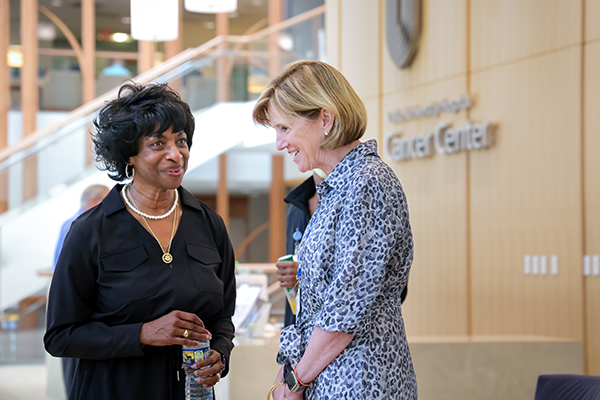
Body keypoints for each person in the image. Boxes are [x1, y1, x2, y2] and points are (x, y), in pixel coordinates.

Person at [44, 83, 236, 400]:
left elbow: (222, 317)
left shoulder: (209, 224)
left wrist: (220, 353)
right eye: (158, 144)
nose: (176, 154)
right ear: (129, 155)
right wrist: (142, 334)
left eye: (182, 141)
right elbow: (61, 337)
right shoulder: (90, 231)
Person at [253, 60, 417, 399]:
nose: (280, 143)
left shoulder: (366, 183)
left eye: (285, 128)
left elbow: (345, 311)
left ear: (325, 119)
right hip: (331, 379)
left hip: (360, 382)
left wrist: (296, 380)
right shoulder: (337, 190)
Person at [52, 184, 109, 398]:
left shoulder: (70, 224)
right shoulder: (83, 225)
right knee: (77, 365)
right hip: (80, 302)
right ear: (95, 201)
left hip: (74, 300)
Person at [276, 171, 324, 328]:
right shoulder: (297, 208)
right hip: (299, 330)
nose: (283, 145)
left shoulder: (355, 199)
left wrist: (304, 274)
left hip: (338, 336)